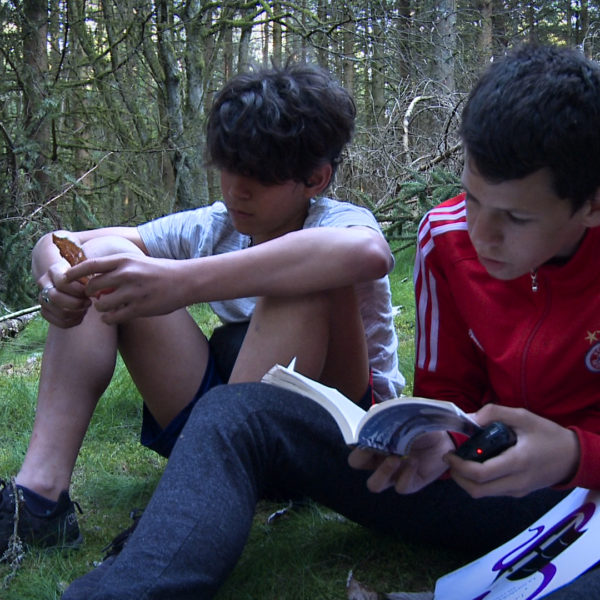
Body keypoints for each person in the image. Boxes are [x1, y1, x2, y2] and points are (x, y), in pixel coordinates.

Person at [60, 43, 600, 599]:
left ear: (591, 204)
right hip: (479, 483)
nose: (481, 234)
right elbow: (448, 395)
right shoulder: (447, 237)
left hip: (586, 498)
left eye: (516, 217)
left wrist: (574, 455)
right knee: (235, 411)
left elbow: (362, 253)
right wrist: (436, 437)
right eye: (473, 199)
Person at [0, 63, 405, 555]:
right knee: (103, 259)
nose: (236, 190)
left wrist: (180, 282)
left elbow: (368, 254)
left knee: (303, 282)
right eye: (230, 167)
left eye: (261, 176)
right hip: (229, 427)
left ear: (315, 179)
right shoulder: (217, 225)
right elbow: (68, 241)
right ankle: (40, 500)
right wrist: (53, 275)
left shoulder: (338, 221)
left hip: (339, 437)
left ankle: (194, 501)